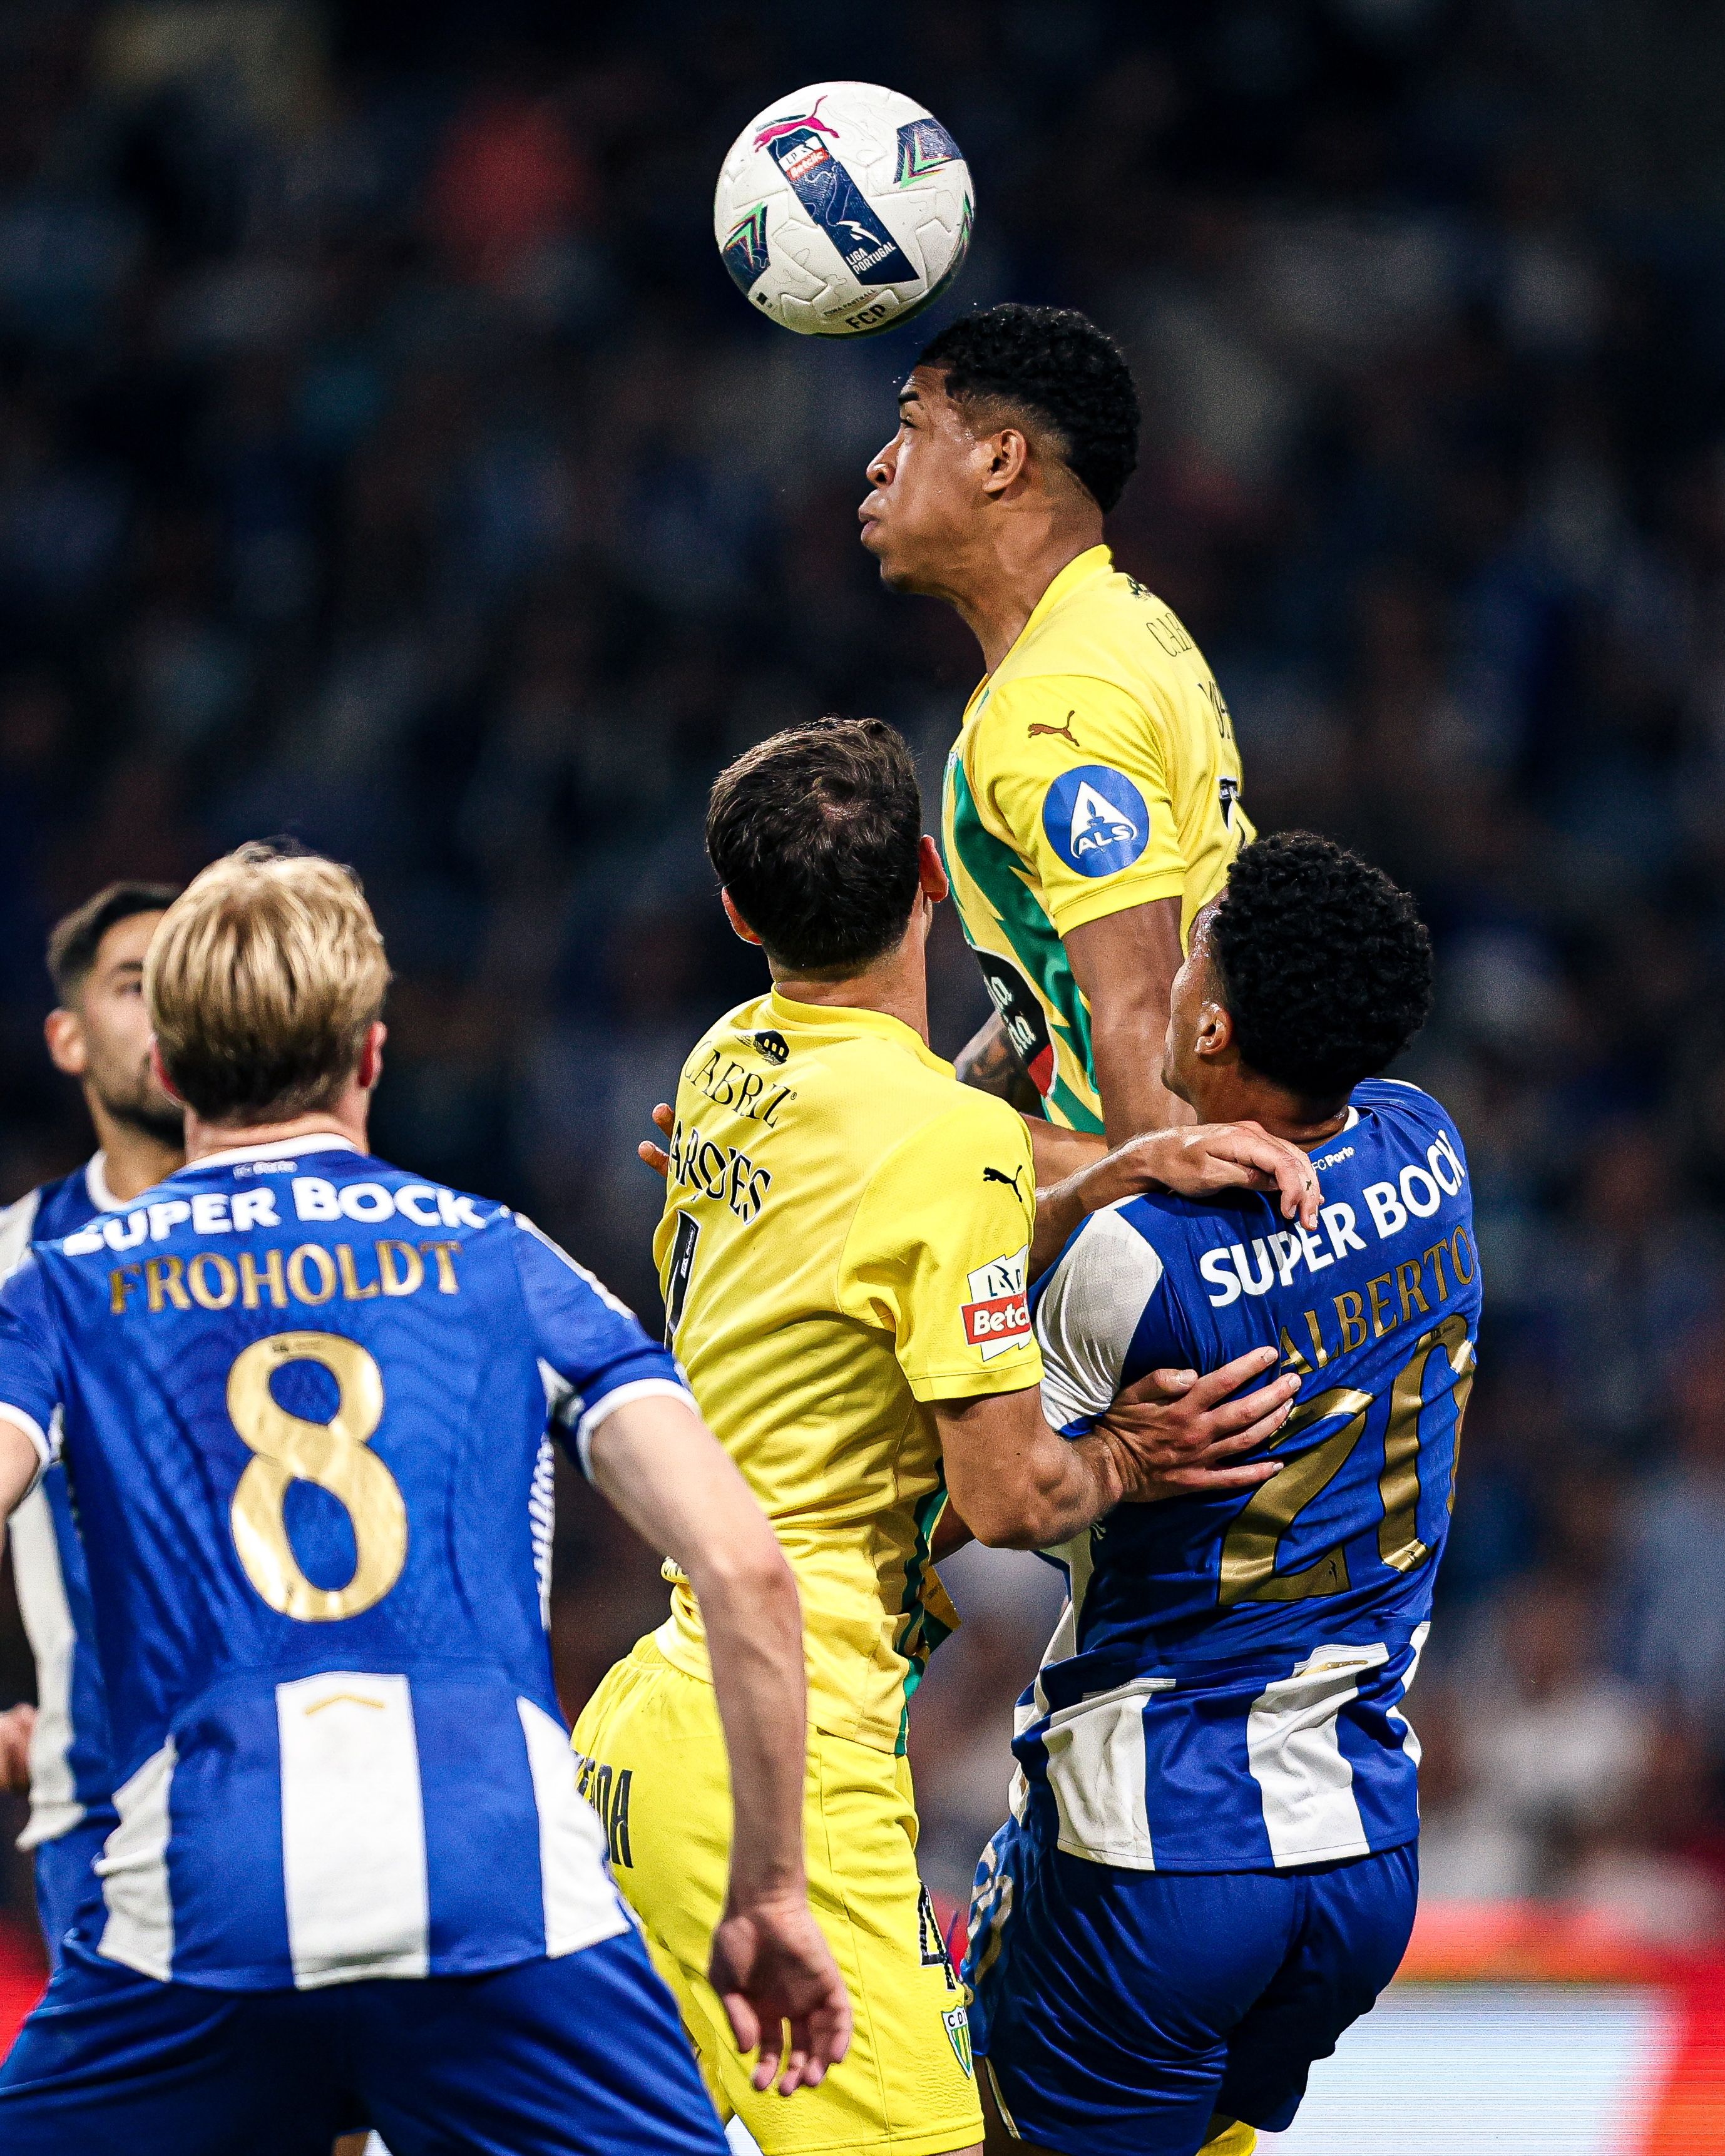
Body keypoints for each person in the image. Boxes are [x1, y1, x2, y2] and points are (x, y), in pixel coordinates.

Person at [0, 842, 849, 2155]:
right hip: (500, 1888)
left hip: (203, 1905)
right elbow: (744, 1569)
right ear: (374, 1056)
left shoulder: (63, 1285)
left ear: (166, 1072)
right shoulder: (505, 1259)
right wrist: (773, 1894)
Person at [589, 717, 1316, 2156]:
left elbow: (912, 1178)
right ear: (931, 871)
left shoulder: (726, 1059)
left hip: (651, 1732)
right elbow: (1003, 1497)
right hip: (785, 1749)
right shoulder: (938, 1143)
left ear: (739, 913)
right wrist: (1125, 1453)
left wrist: (1112, 1166)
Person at [961, 832, 1480, 2156]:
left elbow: (987, 1495)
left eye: (1191, 948)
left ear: (1210, 1017)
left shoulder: (1136, 1259)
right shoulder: (1433, 1155)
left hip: (1157, 1847)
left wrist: (1102, 1191)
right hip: (1362, 1851)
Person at [859, 302, 1252, 1150]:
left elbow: (1151, 1050)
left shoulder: (1055, 703)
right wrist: (911, 1133)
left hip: (1178, 1247)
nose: (879, 464)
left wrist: (866, 1170)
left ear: (1002, 458)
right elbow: (1062, 991)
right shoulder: (1127, 621)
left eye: (911, 426)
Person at [0, 882, 183, 1970]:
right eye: (132, 984)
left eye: (183, 980)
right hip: (104, 1815)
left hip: (326, 1802)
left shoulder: (325, 1227)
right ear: (66, 1038)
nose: (164, 1008)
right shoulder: (17, 1263)